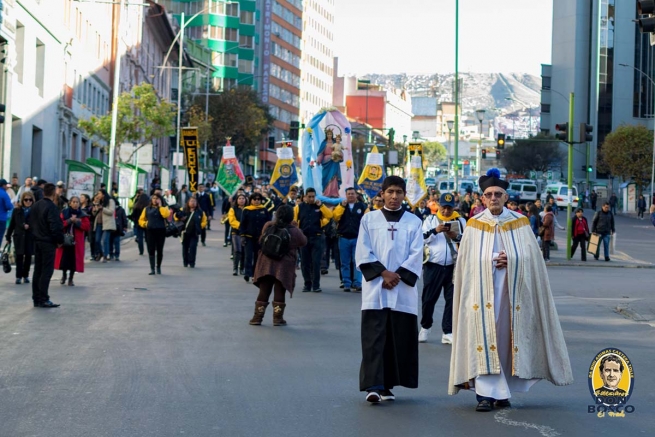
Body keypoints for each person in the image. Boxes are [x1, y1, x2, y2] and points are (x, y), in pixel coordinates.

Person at [448, 168, 573, 412]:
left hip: (511, 292)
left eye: (498, 194)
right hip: (480, 294)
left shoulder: (520, 223)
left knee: (506, 341)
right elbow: (465, 263)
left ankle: (502, 391)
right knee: (482, 339)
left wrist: (513, 261)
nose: (493, 198)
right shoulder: (474, 225)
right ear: (482, 198)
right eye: (488, 194)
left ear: (506, 197)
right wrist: (492, 259)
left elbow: (532, 259)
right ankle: (485, 395)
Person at [355, 176, 423, 403]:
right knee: (374, 337)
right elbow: (363, 251)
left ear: (405, 195)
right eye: (390, 192)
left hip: (402, 289)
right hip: (376, 288)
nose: (394, 197)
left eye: (399, 193)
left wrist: (398, 275)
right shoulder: (369, 219)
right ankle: (373, 386)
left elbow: (417, 253)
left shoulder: (414, 222)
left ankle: (388, 385)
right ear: (382, 193)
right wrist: (383, 273)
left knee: (397, 337)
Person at [419, 193, 466, 345]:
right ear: (438, 206)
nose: (446, 211)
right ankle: (425, 326)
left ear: (454, 207)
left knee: (451, 300)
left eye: (449, 208)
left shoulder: (460, 220)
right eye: (443, 208)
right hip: (433, 265)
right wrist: (435, 231)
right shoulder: (430, 220)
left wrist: (455, 236)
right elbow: (421, 238)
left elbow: (467, 240)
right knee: (428, 298)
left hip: (453, 266)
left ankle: (447, 331)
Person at [250, 205, 308, 326]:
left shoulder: (268, 225)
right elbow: (303, 242)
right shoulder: (294, 230)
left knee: (264, 289)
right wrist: (296, 227)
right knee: (280, 289)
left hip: (266, 262)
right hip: (284, 264)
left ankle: (257, 318)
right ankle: (277, 318)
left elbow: (261, 239)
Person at [29, 183, 65, 308]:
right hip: (48, 242)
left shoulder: (36, 206)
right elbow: (55, 226)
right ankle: (43, 298)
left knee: (38, 270)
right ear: (54, 193)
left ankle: (37, 298)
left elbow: (31, 223)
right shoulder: (52, 207)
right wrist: (59, 240)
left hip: (37, 241)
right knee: (46, 270)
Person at [294, 187, 333, 293]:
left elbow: (329, 215)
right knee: (305, 263)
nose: (311, 198)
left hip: (317, 237)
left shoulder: (319, 206)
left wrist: (321, 206)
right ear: (305, 197)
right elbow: (294, 221)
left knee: (316, 262)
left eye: (313, 196)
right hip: (304, 237)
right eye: (309, 196)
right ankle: (307, 284)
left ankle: (316, 285)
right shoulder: (299, 207)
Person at [333, 187, 369, 292]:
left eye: (352, 194)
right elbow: (335, 217)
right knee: (344, 262)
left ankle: (357, 283)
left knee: (357, 261)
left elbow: (367, 219)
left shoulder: (362, 206)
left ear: (356, 195)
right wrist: (342, 206)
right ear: (346, 195)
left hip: (358, 238)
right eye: (348, 194)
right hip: (343, 237)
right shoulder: (341, 206)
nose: (350, 196)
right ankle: (346, 283)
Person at [55, 196, 91, 286]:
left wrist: (77, 222)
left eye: (77, 202)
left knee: (73, 261)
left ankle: (71, 278)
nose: (75, 204)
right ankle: (64, 275)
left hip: (77, 242)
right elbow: (59, 224)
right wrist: (69, 221)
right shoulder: (64, 213)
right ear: (70, 203)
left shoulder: (82, 214)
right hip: (65, 240)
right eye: (73, 202)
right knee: (64, 260)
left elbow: (86, 226)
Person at [239, 192, 272, 282]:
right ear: (251, 200)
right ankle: (247, 273)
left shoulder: (264, 210)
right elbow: (243, 224)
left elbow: (268, 223)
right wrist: (242, 236)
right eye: (255, 199)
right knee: (248, 256)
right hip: (248, 237)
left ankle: (255, 274)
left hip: (260, 238)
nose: (257, 201)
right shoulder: (246, 210)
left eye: (258, 199)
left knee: (258, 257)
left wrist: (267, 235)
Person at [6, 192, 35, 284]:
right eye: (26, 200)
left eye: (30, 200)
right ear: (22, 200)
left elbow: (38, 224)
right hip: (19, 236)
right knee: (19, 256)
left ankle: (25, 275)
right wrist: (8, 237)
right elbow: (12, 225)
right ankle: (18, 276)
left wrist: (29, 226)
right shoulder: (17, 210)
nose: (28, 202)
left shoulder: (35, 211)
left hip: (30, 236)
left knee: (28, 256)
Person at [139, 193, 170, 275]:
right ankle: (152, 268)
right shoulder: (147, 209)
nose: (155, 200)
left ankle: (158, 266)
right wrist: (146, 224)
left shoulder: (164, 208)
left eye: (157, 198)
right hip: (150, 231)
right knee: (151, 249)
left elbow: (166, 215)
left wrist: (160, 206)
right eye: (153, 198)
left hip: (161, 231)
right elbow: (141, 220)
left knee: (160, 250)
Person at [175, 197, 207, 268]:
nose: (193, 203)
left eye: (194, 201)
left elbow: (204, 222)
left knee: (193, 247)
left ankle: (192, 262)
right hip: (185, 233)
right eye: (191, 201)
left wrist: (199, 227)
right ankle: (185, 262)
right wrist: (179, 217)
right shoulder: (183, 210)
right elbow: (176, 217)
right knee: (185, 248)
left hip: (194, 233)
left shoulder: (200, 212)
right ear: (188, 203)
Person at [94, 189, 116, 262]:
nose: (98, 195)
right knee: (97, 240)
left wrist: (102, 208)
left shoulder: (110, 201)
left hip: (107, 223)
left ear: (103, 194)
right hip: (99, 223)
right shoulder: (99, 202)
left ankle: (105, 255)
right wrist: (95, 208)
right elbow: (94, 214)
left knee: (105, 240)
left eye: (99, 193)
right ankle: (101, 253)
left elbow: (111, 212)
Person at [228, 194, 247, 275]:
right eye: (240, 198)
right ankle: (235, 268)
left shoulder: (248, 209)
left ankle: (242, 268)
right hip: (236, 232)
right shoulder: (233, 209)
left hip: (246, 233)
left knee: (244, 251)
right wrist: (241, 226)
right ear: (237, 200)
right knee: (237, 250)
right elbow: (232, 221)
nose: (241, 200)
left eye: (243, 198)